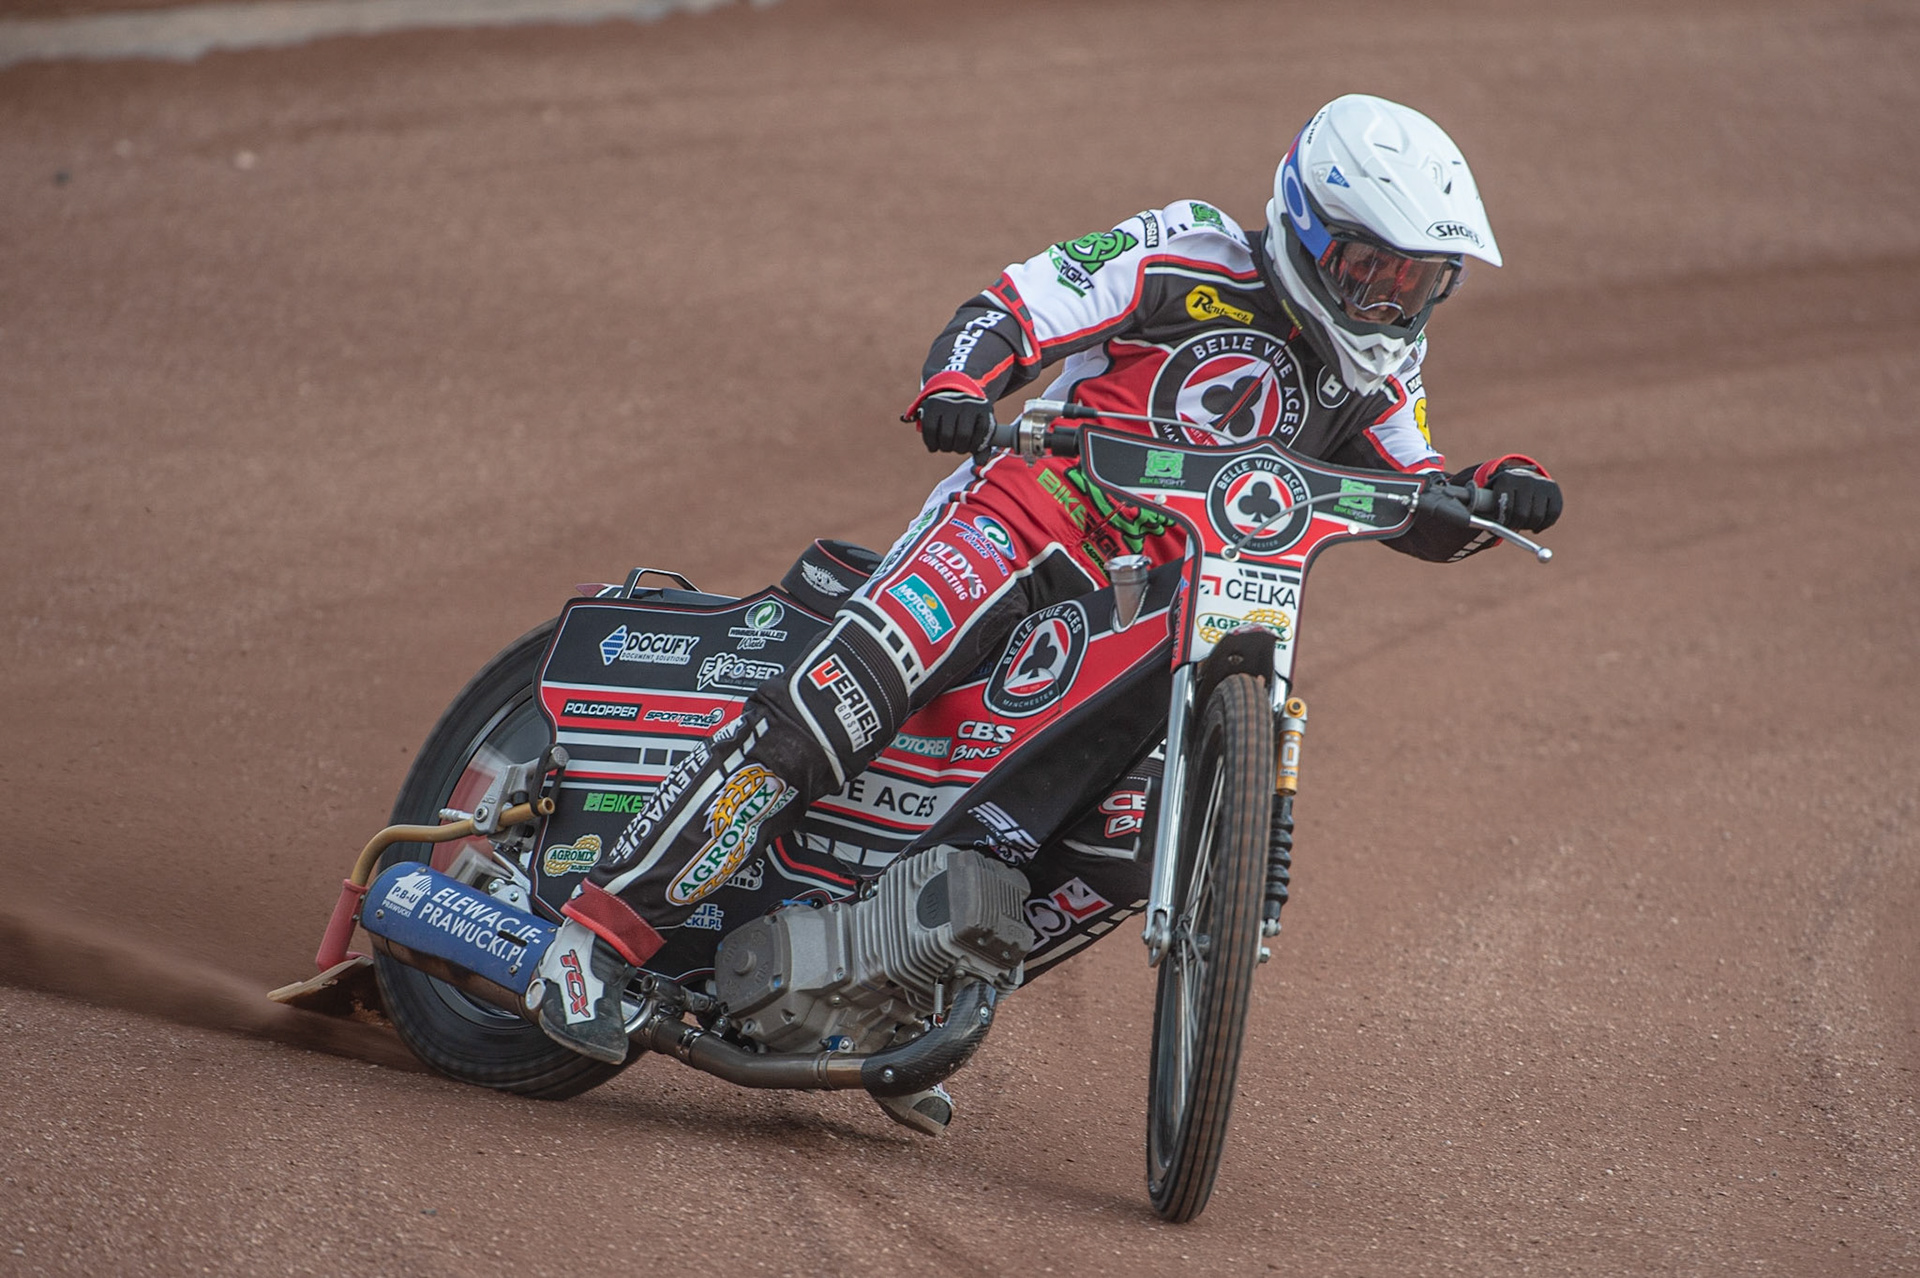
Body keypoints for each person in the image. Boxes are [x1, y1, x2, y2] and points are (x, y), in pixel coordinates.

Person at [530, 93, 1563, 1068]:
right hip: (1023, 525)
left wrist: (1495, 490)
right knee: (839, 704)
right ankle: (593, 942)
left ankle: (891, 991)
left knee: (1125, 846)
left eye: (1417, 282)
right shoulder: (1187, 251)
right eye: (1369, 267)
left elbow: (1417, 493)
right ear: (1303, 224)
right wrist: (959, 381)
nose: (1388, 300)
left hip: (1158, 611)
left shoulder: (1385, 370)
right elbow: (1015, 306)